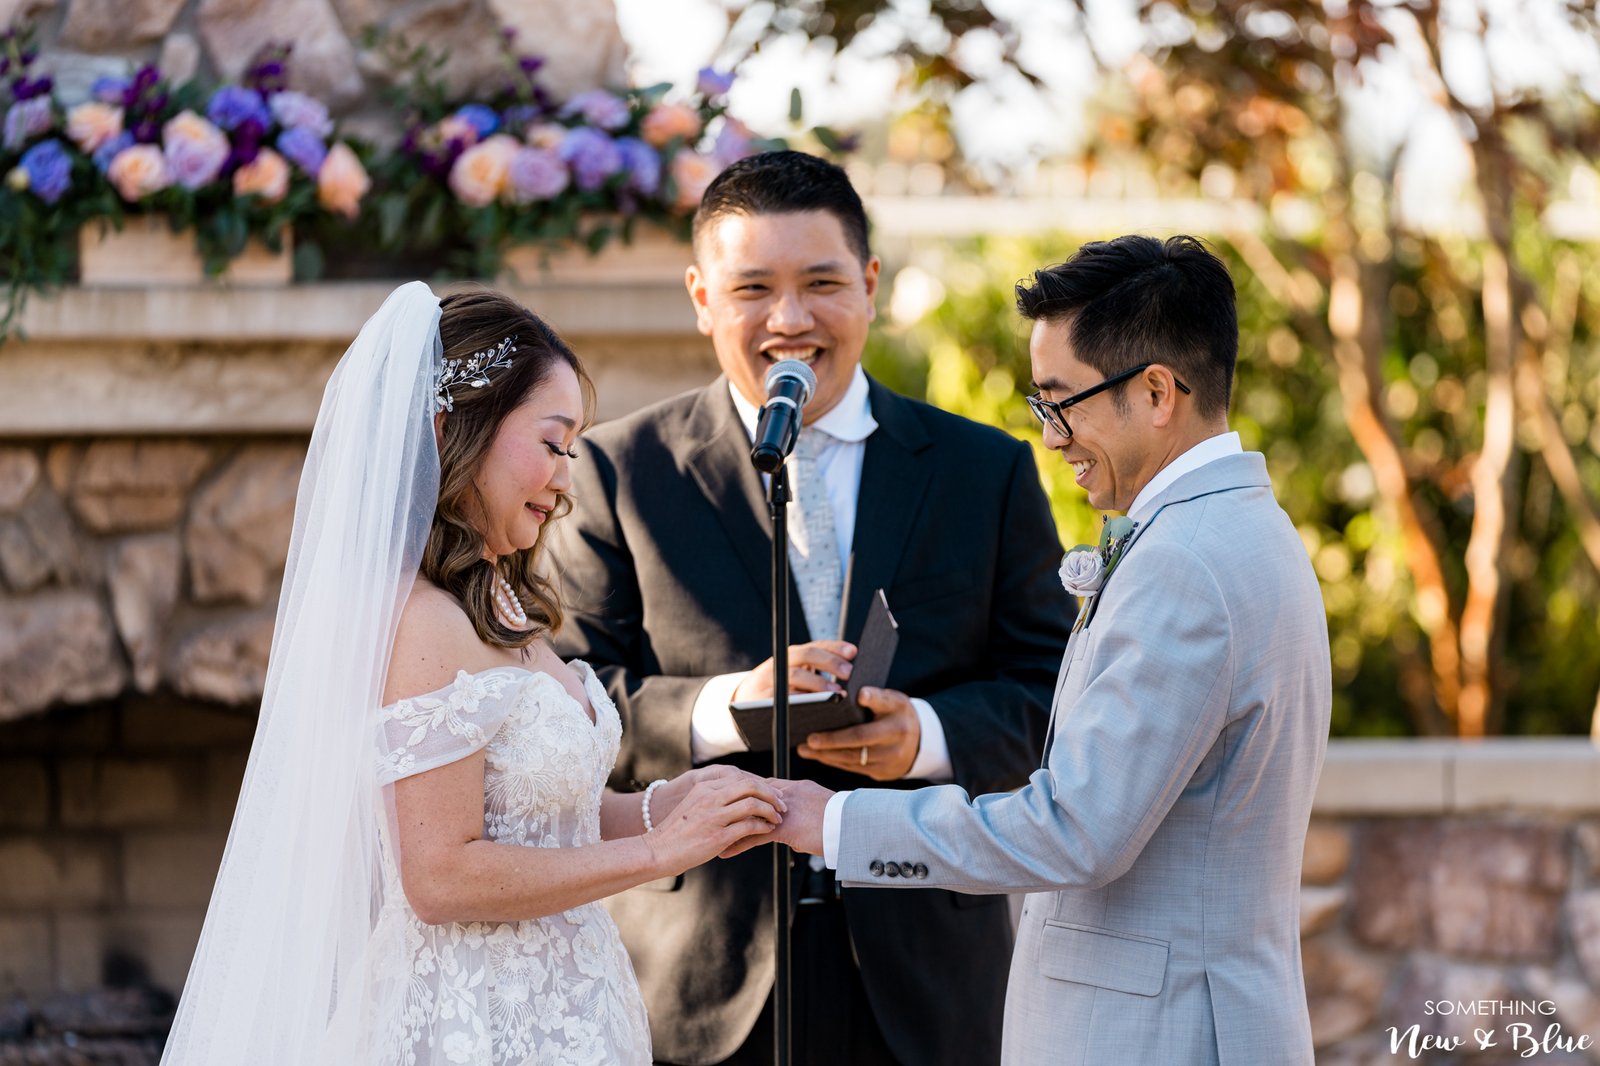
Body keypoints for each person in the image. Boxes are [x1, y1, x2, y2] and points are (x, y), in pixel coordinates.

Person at [160, 284, 785, 1066]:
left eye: (572, 451)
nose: (565, 479)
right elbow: (442, 874)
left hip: (566, 1012)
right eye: (552, 444)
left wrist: (668, 806)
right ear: (453, 432)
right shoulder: (420, 619)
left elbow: (540, 818)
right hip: (472, 1025)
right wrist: (660, 855)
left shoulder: (494, 597)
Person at [552, 151, 1071, 1066]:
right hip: (697, 982)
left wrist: (929, 736)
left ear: (869, 284)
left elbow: (1053, 692)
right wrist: (726, 710)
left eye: (821, 284)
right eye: (753, 288)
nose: (789, 319)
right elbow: (568, 699)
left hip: (927, 971)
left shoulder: (983, 471)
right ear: (702, 297)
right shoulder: (616, 471)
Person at [763, 234, 1333, 1066]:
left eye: (1062, 403)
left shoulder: (1184, 562)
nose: (1052, 436)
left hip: (1157, 1038)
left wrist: (836, 822)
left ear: (1157, 392)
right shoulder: (1244, 529)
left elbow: (1075, 829)